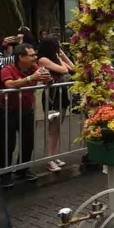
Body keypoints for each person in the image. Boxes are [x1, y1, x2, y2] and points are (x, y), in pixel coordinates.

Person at [0, 43, 52, 187]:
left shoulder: (34, 68)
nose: (35, 58)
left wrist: (48, 79)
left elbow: (45, 79)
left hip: (27, 110)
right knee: (8, 143)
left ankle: (22, 169)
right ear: (21, 57)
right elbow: (9, 84)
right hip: (8, 110)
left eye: (34, 55)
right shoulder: (8, 69)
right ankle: (5, 174)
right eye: (31, 55)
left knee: (28, 141)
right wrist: (30, 78)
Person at [37, 37, 74, 172]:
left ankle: (54, 155)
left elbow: (73, 68)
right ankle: (49, 159)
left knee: (57, 128)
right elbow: (64, 70)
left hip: (62, 94)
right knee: (52, 129)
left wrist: (63, 56)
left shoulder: (56, 58)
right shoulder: (43, 59)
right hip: (52, 96)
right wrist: (60, 59)